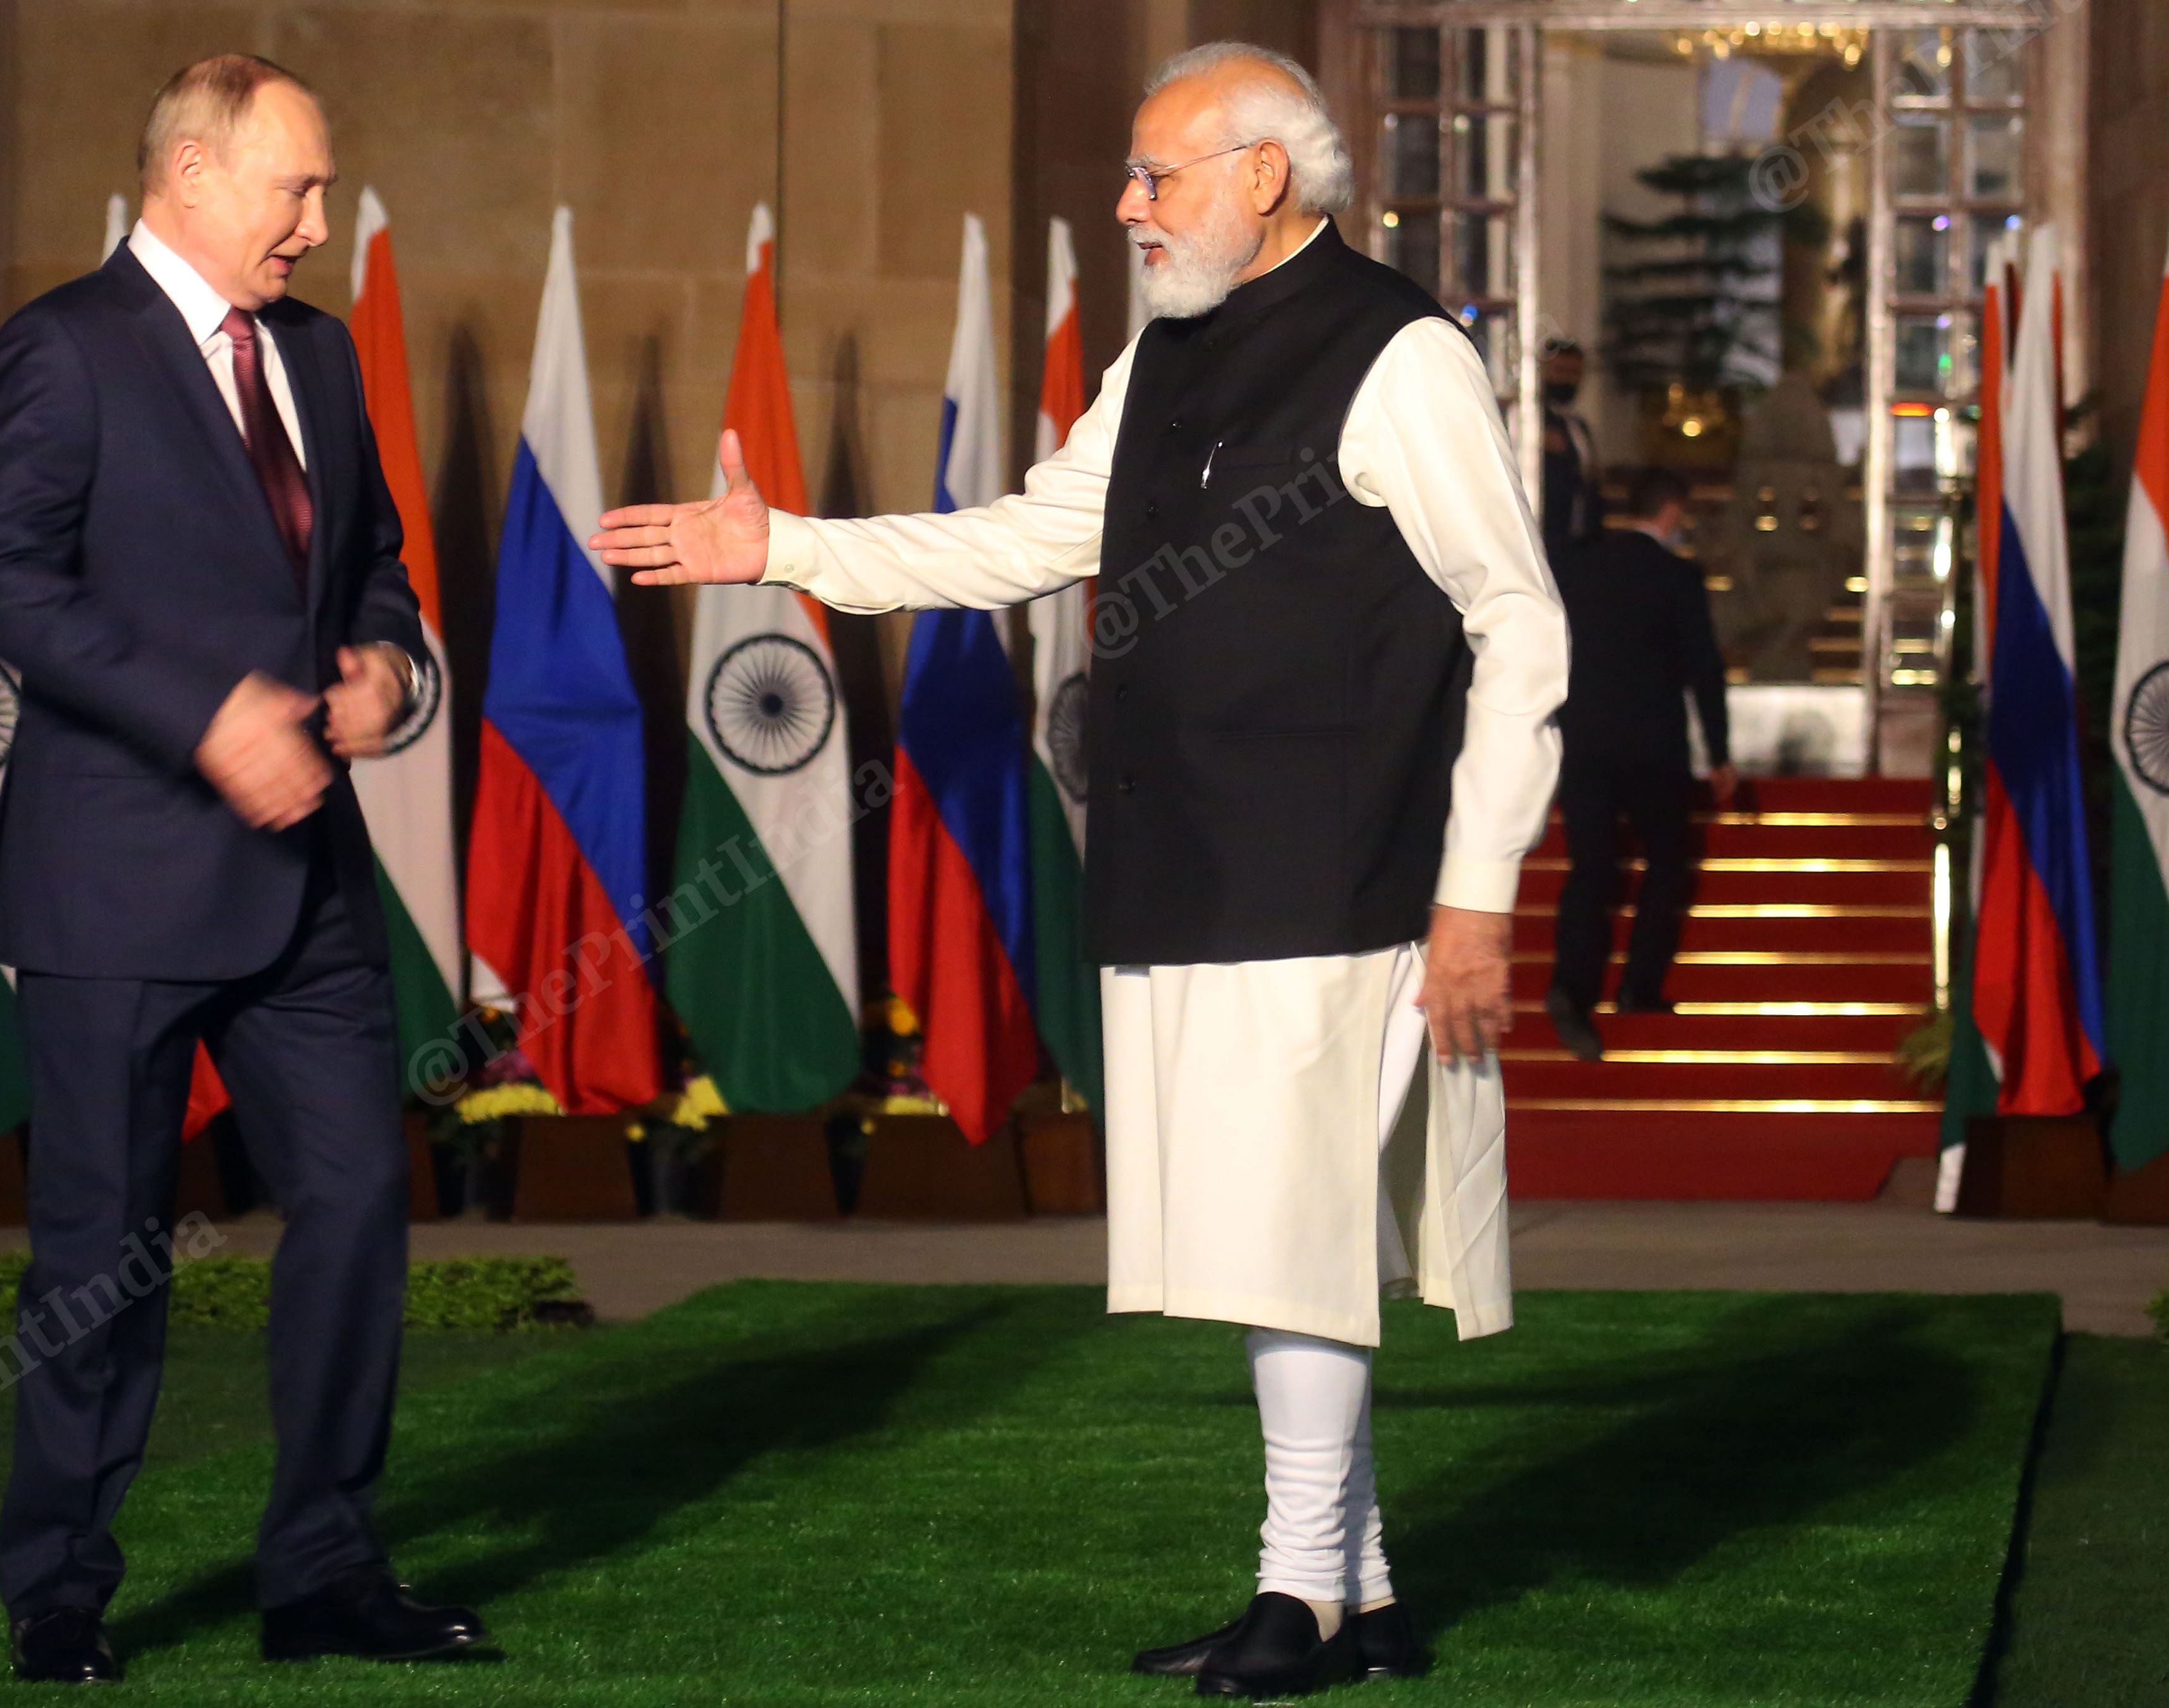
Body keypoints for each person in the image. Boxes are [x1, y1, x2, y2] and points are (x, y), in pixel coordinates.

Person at [592, 43, 1565, 1700]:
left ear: (1263, 176)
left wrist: (1480, 880)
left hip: (1338, 871)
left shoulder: (1401, 352)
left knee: (1295, 1233)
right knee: (1271, 1222)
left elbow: (1519, 612)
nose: (1127, 207)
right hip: (1187, 860)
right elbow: (1029, 534)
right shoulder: (1164, 354)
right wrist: (785, 550)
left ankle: (1302, 1595)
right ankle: (1368, 1587)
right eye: (1130, 176)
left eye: (1155, 175)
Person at [0, 55, 479, 1683]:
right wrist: (206, 715)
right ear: (188, 172)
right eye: (293, 189)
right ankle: (58, 1587)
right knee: (102, 1247)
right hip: (114, 880)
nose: (316, 225)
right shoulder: (62, 348)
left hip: (304, 885)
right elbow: (1, 578)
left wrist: (387, 670)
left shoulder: (316, 358)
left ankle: (320, 1563)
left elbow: (374, 567)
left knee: (357, 1202)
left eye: (317, 192)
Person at [1543, 464, 1736, 1062]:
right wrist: (1721, 753)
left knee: (1591, 867)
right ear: (1672, 511)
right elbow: (1704, 670)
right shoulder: (1677, 577)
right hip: (1654, 746)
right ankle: (1639, 987)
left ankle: (1571, 988)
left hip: (1584, 743)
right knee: (1665, 864)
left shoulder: (1577, 569)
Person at [1538, 336, 1599, 566]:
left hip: (1579, 541)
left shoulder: (1578, 426)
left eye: (1575, 373)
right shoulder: (1534, 422)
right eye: (1561, 371)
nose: (1568, 380)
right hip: (1545, 537)